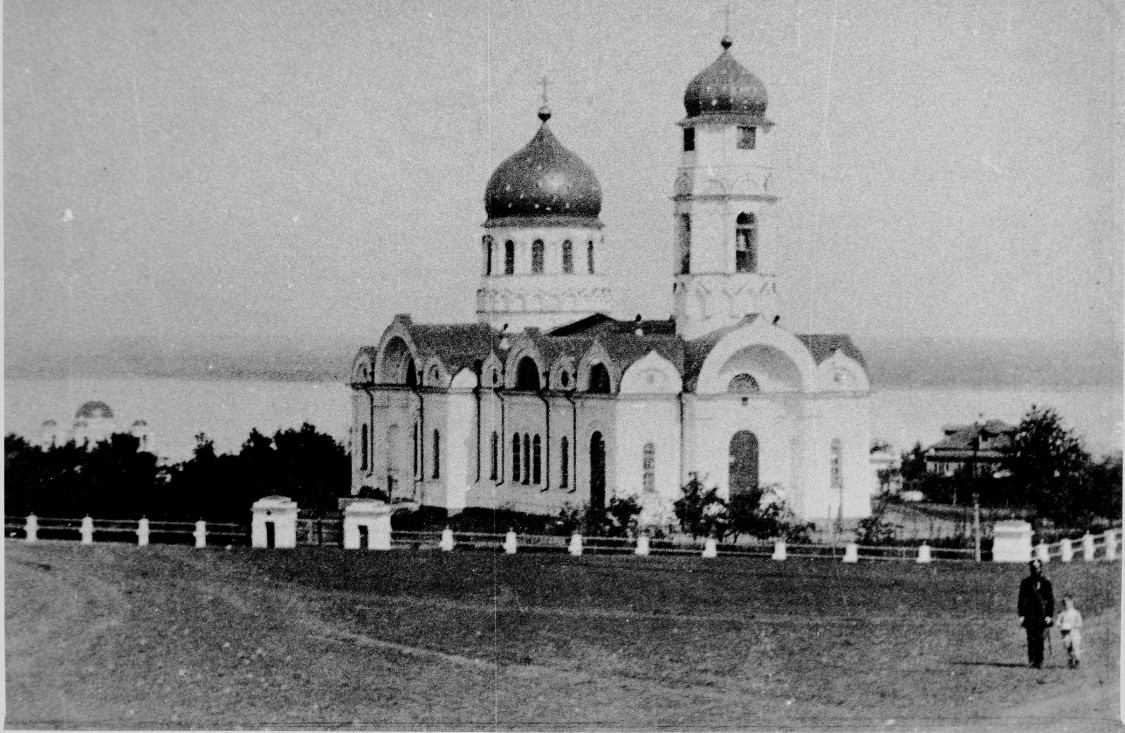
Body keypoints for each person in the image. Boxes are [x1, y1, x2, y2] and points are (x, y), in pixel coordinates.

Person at [1017, 558, 1055, 669]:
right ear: (1031, 569)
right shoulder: (1025, 583)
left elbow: (1050, 600)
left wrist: (1049, 615)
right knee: (1030, 638)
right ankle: (1032, 660)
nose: (1036, 570)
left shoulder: (1046, 583)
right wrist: (1022, 615)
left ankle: (1039, 661)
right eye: (1033, 568)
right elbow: (1021, 600)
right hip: (1029, 614)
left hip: (1041, 615)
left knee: (1040, 638)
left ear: (1041, 568)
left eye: (1038, 568)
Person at [1056, 595, 1083, 669]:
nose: (1067, 605)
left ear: (1072, 603)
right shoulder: (1062, 613)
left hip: (1074, 632)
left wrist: (1074, 625)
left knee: (1075, 647)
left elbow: (1080, 623)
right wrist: (1061, 625)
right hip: (1065, 633)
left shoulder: (1076, 612)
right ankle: (1070, 662)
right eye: (1065, 603)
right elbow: (1057, 622)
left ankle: (1077, 662)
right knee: (1067, 647)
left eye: (1068, 603)